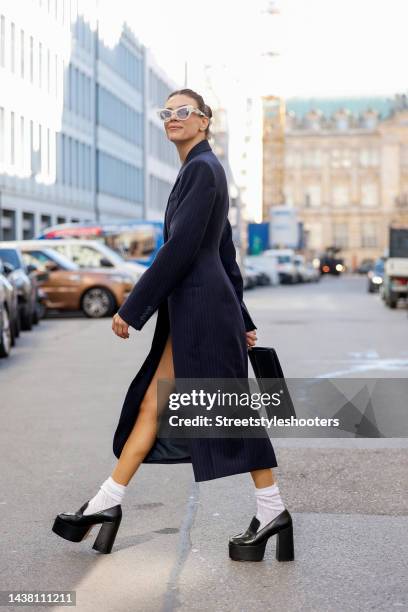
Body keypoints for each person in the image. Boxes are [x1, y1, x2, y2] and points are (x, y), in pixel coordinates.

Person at [52, 89, 294, 562]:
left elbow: (182, 248)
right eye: (167, 113)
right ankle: (106, 502)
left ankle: (272, 511)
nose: (173, 118)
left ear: (205, 121)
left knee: (230, 415)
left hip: (201, 312)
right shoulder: (197, 170)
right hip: (200, 309)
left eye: (184, 112)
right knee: (151, 404)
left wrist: (132, 308)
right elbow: (224, 251)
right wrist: (242, 317)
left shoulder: (203, 169)